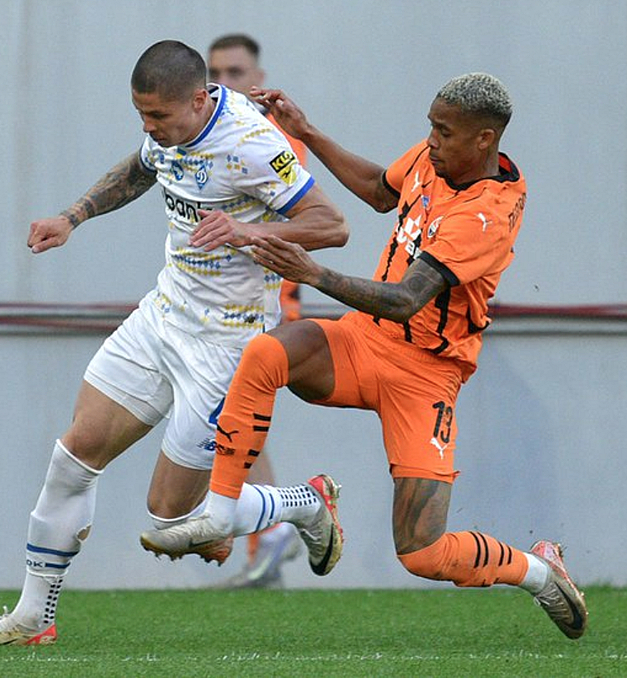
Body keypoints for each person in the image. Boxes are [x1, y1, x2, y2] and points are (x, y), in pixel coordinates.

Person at [142, 72, 589, 640]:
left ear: (484, 139)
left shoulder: (485, 216)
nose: (431, 140)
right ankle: (226, 514)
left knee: (422, 553)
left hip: (427, 375)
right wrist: (308, 132)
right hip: (364, 339)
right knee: (266, 353)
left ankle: (537, 570)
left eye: (444, 132)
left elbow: (406, 300)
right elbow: (381, 190)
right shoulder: (437, 159)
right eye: (431, 126)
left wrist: (313, 273)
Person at [0, 40, 348, 647]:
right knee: (74, 454)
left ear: (198, 99)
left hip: (227, 343)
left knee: (172, 519)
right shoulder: (168, 130)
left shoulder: (251, 143)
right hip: (162, 318)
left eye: (158, 115)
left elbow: (333, 225)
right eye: (141, 114)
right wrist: (72, 217)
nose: (148, 126)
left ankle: (306, 503)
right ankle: (34, 615)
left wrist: (243, 230)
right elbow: (141, 168)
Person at [206, 32, 306, 589]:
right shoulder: (210, 133)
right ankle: (266, 532)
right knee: (231, 416)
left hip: (259, 299)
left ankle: (276, 522)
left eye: (235, 73)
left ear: (258, 79)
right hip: (221, 301)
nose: (223, 83)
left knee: (230, 413)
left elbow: (303, 219)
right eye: (214, 73)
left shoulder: (270, 137)